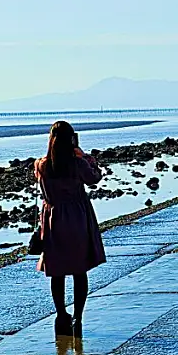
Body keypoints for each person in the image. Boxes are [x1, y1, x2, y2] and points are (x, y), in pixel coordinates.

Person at [34, 121, 107, 338]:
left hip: (53, 220)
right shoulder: (77, 163)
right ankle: (78, 317)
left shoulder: (42, 165)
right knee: (79, 270)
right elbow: (95, 177)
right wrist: (83, 155)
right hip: (77, 218)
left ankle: (61, 315)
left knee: (57, 272)